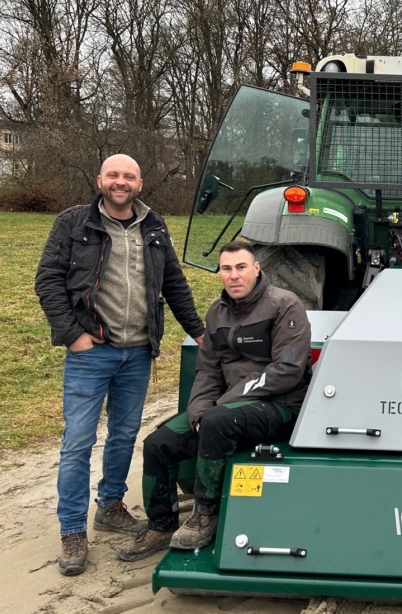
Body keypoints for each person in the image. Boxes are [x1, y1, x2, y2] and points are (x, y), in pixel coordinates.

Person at [35, 154, 205, 576]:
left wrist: (200, 332)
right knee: (78, 442)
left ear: (140, 184)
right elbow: (48, 281)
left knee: (124, 435)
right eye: (113, 175)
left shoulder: (154, 226)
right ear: (100, 180)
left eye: (129, 176)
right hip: (91, 352)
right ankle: (72, 529)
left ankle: (110, 505)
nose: (120, 182)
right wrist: (73, 335)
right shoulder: (73, 223)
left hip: (138, 352)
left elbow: (174, 284)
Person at [115, 241, 312, 562]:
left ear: (257, 268)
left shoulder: (285, 305)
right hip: (226, 408)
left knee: (218, 420)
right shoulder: (216, 313)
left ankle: (206, 514)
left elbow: (287, 370)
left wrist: (220, 406)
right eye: (226, 269)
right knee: (158, 443)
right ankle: (161, 524)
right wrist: (199, 411)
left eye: (241, 267)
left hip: (279, 407)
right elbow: (207, 371)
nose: (234, 275)